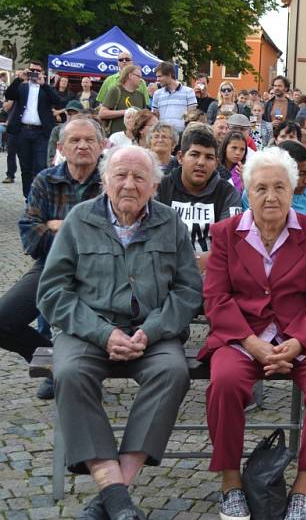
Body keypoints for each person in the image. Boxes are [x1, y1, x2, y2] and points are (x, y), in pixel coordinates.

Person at [37, 145, 203, 519]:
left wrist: (151, 330)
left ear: (154, 186)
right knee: (70, 373)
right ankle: (118, 497)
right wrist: (102, 333)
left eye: (139, 177)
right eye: (121, 176)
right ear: (105, 181)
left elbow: (188, 290)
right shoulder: (80, 220)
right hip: (87, 331)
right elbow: (52, 292)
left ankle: (113, 494)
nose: (129, 184)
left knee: (172, 372)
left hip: (153, 334)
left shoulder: (170, 223)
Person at [197, 145, 306, 520]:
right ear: (247, 191)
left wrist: (297, 343)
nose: (270, 196)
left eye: (279, 187)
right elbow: (216, 298)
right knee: (225, 382)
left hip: (302, 334)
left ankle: (303, 488)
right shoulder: (226, 233)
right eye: (261, 188)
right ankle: (231, 483)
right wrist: (251, 343)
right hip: (243, 334)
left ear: (293, 189)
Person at [0, 119, 104, 399]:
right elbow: (30, 235)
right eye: (75, 140)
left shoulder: (112, 179)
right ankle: (56, 363)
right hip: (51, 264)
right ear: (61, 147)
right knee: (3, 320)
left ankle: (78, 369)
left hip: (103, 271)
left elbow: (112, 237)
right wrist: (80, 230)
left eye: (89, 140)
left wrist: (59, 224)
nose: (82, 145)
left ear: (102, 145)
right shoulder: (46, 180)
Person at [156, 126, 242, 275]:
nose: (201, 162)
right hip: (165, 270)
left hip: (212, 272)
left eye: (209, 157)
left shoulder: (228, 193)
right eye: (194, 154)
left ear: (216, 163)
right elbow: (152, 237)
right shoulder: (161, 187)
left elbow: (230, 244)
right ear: (180, 157)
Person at [4, 62, 62, 198]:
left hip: (41, 133)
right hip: (23, 131)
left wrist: (45, 85)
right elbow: (9, 94)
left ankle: (39, 197)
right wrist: (19, 78)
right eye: (32, 70)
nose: (34, 73)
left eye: (37, 70)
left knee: (41, 166)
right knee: (26, 167)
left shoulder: (46, 88)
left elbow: (58, 101)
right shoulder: (22, 86)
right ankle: (28, 198)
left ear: (42, 72)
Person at [99, 65, 147, 136]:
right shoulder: (115, 90)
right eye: (138, 76)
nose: (141, 80)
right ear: (130, 75)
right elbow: (102, 113)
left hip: (135, 139)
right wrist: (126, 112)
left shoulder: (141, 95)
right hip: (116, 138)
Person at [151, 61, 197, 134]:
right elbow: (155, 117)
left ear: (169, 75)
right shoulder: (157, 94)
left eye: (160, 76)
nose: (157, 79)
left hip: (182, 136)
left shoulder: (189, 92)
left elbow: (192, 116)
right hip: (163, 135)